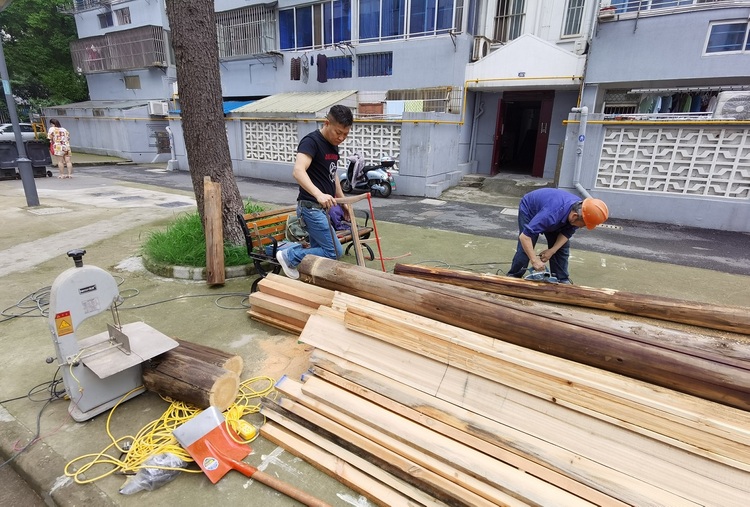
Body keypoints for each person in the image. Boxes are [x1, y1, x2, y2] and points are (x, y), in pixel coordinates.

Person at [276, 105, 353, 279]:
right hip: (310, 208)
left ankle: (309, 274)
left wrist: (342, 201)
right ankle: (289, 255)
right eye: (338, 132)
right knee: (333, 251)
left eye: (346, 134)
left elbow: (332, 176)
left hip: (322, 209)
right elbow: (298, 171)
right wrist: (318, 194)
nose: (341, 138)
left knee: (320, 252)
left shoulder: (333, 145)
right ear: (327, 123)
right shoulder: (311, 142)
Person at [506, 188, 609, 284]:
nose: (582, 227)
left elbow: (566, 234)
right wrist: (534, 260)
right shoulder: (551, 215)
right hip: (531, 209)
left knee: (561, 248)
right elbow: (525, 237)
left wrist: (552, 251)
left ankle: (561, 279)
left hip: (554, 213)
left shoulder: (582, 212)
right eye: (583, 225)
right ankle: (514, 276)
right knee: (527, 246)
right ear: (574, 217)